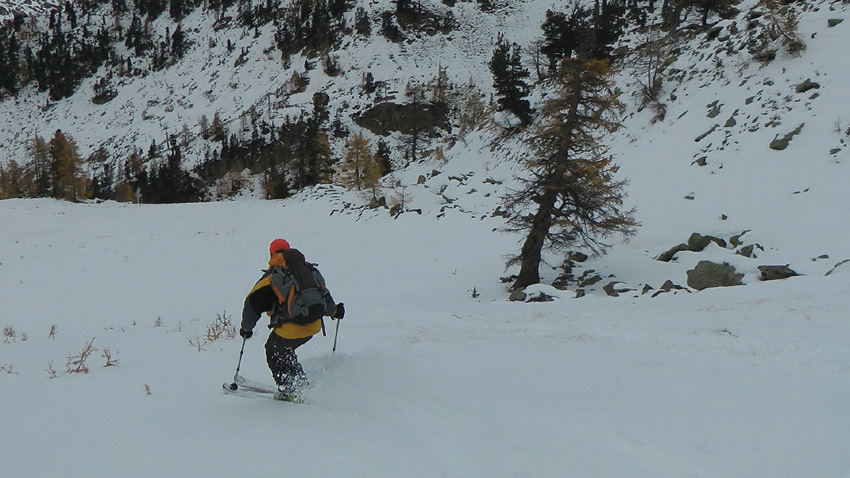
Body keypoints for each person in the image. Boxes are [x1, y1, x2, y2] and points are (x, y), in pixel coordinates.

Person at [240, 239, 344, 401]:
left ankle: (291, 390)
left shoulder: (273, 276)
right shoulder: (309, 270)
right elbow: (324, 295)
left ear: (271, 254)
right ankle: (300, 385)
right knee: (284, 351)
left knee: (274, 351)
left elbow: (251, 304)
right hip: (313, 325)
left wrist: (246, 329)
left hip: (291, 328)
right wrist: (335, 311)